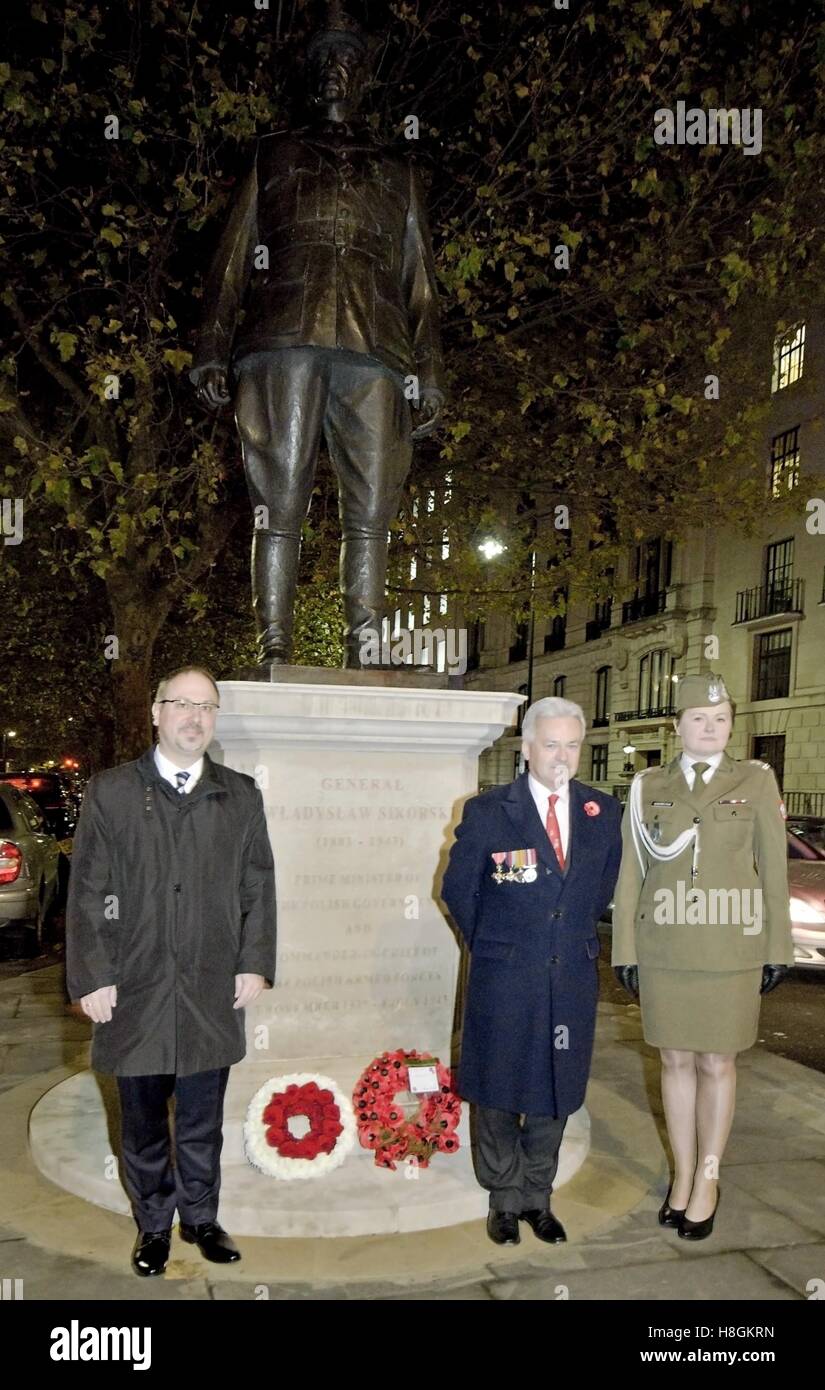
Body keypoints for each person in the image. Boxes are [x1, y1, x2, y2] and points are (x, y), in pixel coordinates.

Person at [190, 2, 446, 669]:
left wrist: (431, 367)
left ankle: (365, 646)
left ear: (363, 78)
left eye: (348, 61)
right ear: (311, 75)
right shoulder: (273, 154)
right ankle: (275, 643)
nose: (335, 71)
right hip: (283, 336)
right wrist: (212, 345)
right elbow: (232, 255)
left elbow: (420, 279)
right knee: (280, 496)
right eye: (324, 60)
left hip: (377, 345)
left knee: (372, 506)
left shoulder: (398, 170)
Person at [66, 666, 277, 1277]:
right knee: (141, 1122)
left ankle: (203, 1218)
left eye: (206, 706)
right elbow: (89, 890)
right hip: (134, 988)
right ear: (154, 713)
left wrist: (254, 962)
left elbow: (257, 885)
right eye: (180, 704)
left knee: (201, 1119)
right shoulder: (111, 792)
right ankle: (154, 1224)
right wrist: (93, 976)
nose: (194, 717)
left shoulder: (239, 796)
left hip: (211, 986)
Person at [611, 672, 793, 1240]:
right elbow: (631, 875)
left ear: (731, 725)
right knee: (674, 1062)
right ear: (678, 726)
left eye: (720, 720)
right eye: (698, 719)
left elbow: (775, 873)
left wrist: (777, 946)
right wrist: (626, 949)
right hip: (666, 947)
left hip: (730, 950)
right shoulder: (647, 787)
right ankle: (682, 1176)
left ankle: (709, 1179)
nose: (709, 728)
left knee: (717, 1063)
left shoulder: (756, 782)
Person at [441, 697, 622, 1246]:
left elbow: (601, 890)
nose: (562, 755)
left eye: (572, 743)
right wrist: (496, 945)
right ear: (526, 748)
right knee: (497, 1083)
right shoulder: (490, 810)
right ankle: (502, 1194)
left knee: (556, 1082)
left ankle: (538, 1195)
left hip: (570, 973)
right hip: (505, 973)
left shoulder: (602, 811)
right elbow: (458, 891)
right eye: (551, 743)